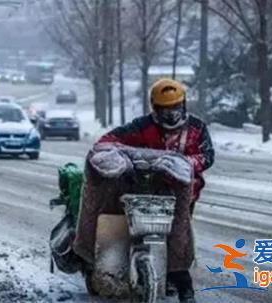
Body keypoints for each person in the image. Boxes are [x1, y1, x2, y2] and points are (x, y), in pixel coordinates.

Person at [74, 78, 214, 303]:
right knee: (130, 227)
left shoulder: (197, 128)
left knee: (178, 235)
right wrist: (117, 157)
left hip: (182, 193)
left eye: (175, 108)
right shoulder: (141, 127)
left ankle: (178, 279)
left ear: (184, 105)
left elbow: (208, 155)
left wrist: (186, 163)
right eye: (165, 109)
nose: (171, 114)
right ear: (155, 108)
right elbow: (107, 141)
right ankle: (118, 266)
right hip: (145, 188)